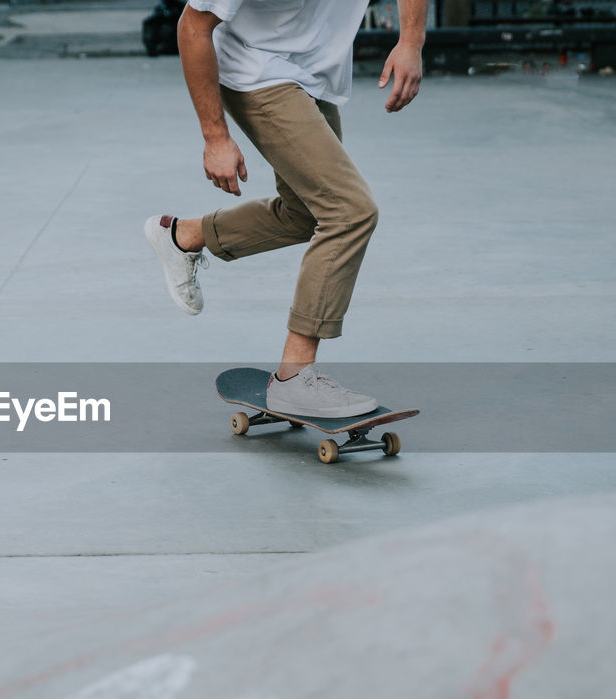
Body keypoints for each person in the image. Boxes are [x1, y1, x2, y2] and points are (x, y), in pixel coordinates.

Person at [144, 0, 426, 418]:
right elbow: (192, 28)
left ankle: (182, 235)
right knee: (349, 211)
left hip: (311, 72)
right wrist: (215, 137)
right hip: (256, 71)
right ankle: (294, 378)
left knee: (307, 213)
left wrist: (411, 40)